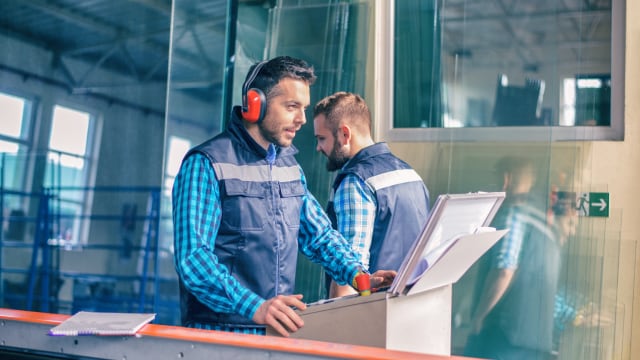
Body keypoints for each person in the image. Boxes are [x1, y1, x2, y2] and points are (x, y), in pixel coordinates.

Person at [171, 56, 396, 337]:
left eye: (303, 108)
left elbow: (320, 236)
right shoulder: (206, 164)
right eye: (292, 107)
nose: (302, 119)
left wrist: (359, 275)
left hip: (276, 332)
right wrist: (255, 306)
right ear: (256, 104)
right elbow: (193, 259)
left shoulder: (288, 166)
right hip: (219, 336)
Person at [464, 156, 583, 360]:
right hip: (538, 342)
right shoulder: (545, 223)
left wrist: (478, 317)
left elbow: (504, 270)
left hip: (505, 338)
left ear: (506, 179)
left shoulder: (514, 214)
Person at [312, 92, 430, 298]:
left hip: (371, 317)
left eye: (322, 138)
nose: (318, 147)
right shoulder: (410, 174)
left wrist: (333, 325)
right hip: (410, 308)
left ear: (344, 135)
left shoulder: (355, 181)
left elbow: (347, 275)